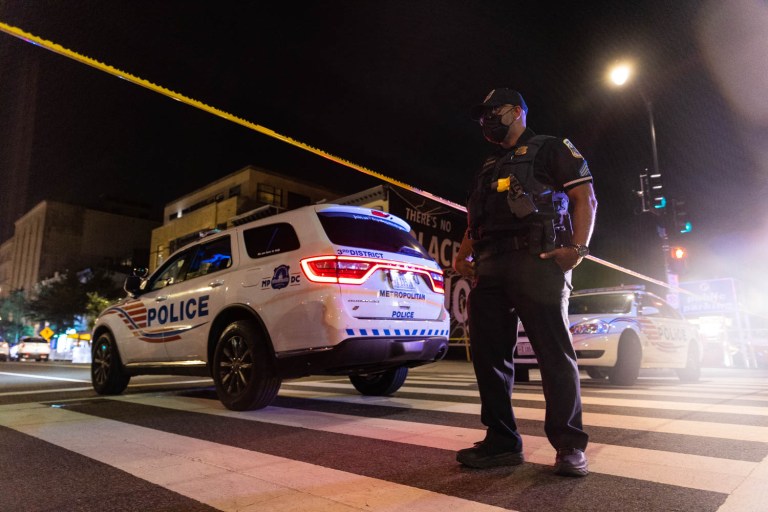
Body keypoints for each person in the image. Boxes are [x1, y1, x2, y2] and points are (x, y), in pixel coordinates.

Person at [454, 88, 597, 477]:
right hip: (491, 266)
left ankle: (569, 446)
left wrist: (578, 248)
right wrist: (463, 253)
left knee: (553, 355)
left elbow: (585, 197)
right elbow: (476, 218)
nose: (486, 119)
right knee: (489, 356)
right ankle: (502, 442)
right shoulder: (489, 164)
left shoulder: (551, 148)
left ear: (516, 111)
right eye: (481, 114)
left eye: (493, 111)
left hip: (538, 261)